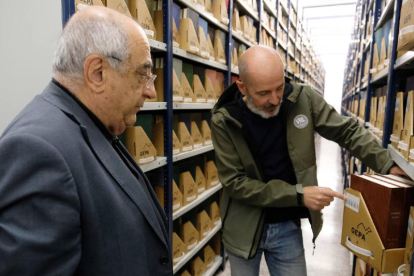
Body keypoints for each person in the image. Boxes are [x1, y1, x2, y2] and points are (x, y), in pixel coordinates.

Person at [0, 6, 171, 276]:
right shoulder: (39, 150)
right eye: (142, 75)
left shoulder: (93, 123)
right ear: (97, 73)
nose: (150, 90)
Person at [210, 45, 408, 276]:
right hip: (242, 227)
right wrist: (299, 195)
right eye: (263, 93)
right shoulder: (224, 120)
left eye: (279, 88)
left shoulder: (303, 98)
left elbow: (346, 131)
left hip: (287, 225)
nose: (275, 99)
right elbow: (235, 183)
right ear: (242, 87)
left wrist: (387, 164)